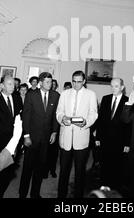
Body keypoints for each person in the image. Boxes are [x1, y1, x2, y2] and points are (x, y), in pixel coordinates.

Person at [56, 70, 98, 198]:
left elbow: (94, 113)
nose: (76, 84)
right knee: (63, 171)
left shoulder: (91, 94)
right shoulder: (64, 94)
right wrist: (62, 118)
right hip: (66, 138)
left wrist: (86, 122)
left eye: (79, 82)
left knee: (80, 172)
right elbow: (59, 112)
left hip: (81, 139)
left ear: (84, 81)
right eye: (74, 81)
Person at [19, 72, 59, 198]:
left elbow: (55, 116)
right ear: (41, 83)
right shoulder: (31, 95)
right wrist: (26, 136)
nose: (50, 84)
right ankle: (23, 193)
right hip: (32, 138)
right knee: (28, 167)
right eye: (47, 82)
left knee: (40, 167)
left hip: (46, 139)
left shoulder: (56, 96)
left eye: (51, 81)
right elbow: (26, 116)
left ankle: (35, 193)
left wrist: (54, 131)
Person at [0, 75, 22, 198]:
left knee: (7, 173)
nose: (13, 86)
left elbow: (19, 119)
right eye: (9, 84)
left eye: (13, 84)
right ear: (1, 85)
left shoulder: (17, 98)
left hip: (12, 144)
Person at [95, 78, 131, 192]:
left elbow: (129, 125)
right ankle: (104, 186)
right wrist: (98, 137)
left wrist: (127, 143)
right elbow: (100, 119)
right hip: (105, 139)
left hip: (120, 140)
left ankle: (114, 188)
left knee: (117, 165)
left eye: (116, 86)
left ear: (122, 87)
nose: (113, 88)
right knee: (104, 163)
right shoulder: (105, 99)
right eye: (111, 86)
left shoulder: (128, 101)